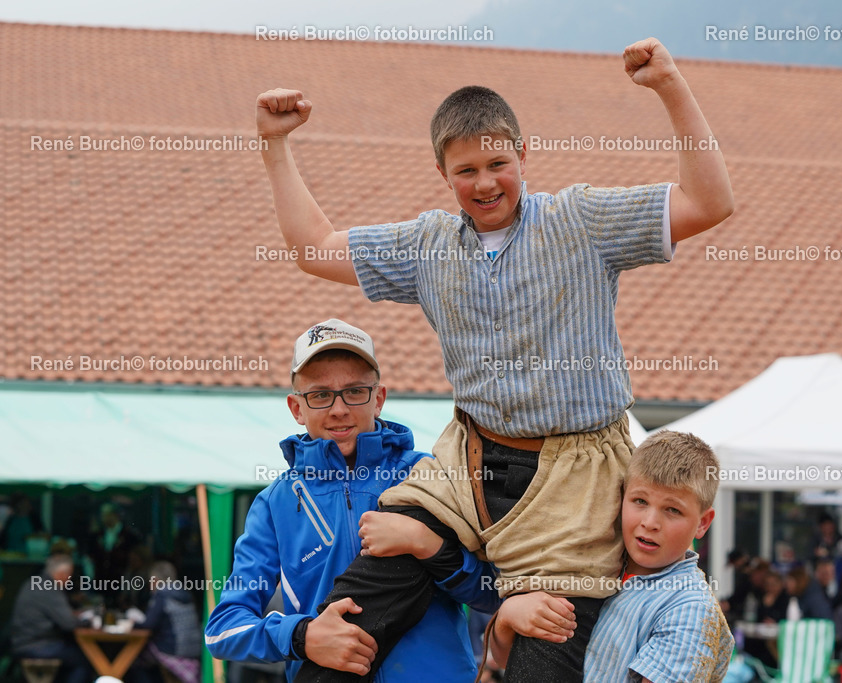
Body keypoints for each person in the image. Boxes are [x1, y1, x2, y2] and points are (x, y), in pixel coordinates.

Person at [256, 35, 733, 683]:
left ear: (523, 154)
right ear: (443, 173)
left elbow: (709, 203)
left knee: (544, 649)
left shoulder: (580, 221)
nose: (485, 183)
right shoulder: (427, 245)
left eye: (498, 163)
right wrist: (275, 143)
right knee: (350, 614)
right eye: (466, 171)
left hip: (574, 477)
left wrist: (670, 86)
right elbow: (314, 248)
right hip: (468, 463)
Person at [204, 320, 499, 681]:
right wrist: (303, 636)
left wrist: (428, 545)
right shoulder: (274, 503)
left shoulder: (434, 475)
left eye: (355, 391)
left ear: (379, 399)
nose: (339, 409)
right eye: (320, 395)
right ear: (296, 408)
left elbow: (494, 593)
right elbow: (222, 629)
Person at [487, 431, 733, 682]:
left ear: (703, 523)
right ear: (620, 496)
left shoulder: (689, 609)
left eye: (672, 510)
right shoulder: (589, 559)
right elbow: (514, 662)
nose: (650, 522)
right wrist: (508, 616)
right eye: (640, 501)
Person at [9, 554, 92, 683]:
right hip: (36, 645)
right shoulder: (50, 588)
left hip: (22, 642)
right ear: (62, 574)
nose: (69, 580)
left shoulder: (34, 582)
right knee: (85, 660)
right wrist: (87, 622)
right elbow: (68, 624)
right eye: (69, 576)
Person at [133, 561, 202, 683]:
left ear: (155, 580)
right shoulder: (185, 593)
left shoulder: (162, 595)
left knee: (136, 657)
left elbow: (148, 625)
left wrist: (132, 623)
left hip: (173, 649)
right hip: (194, 649)